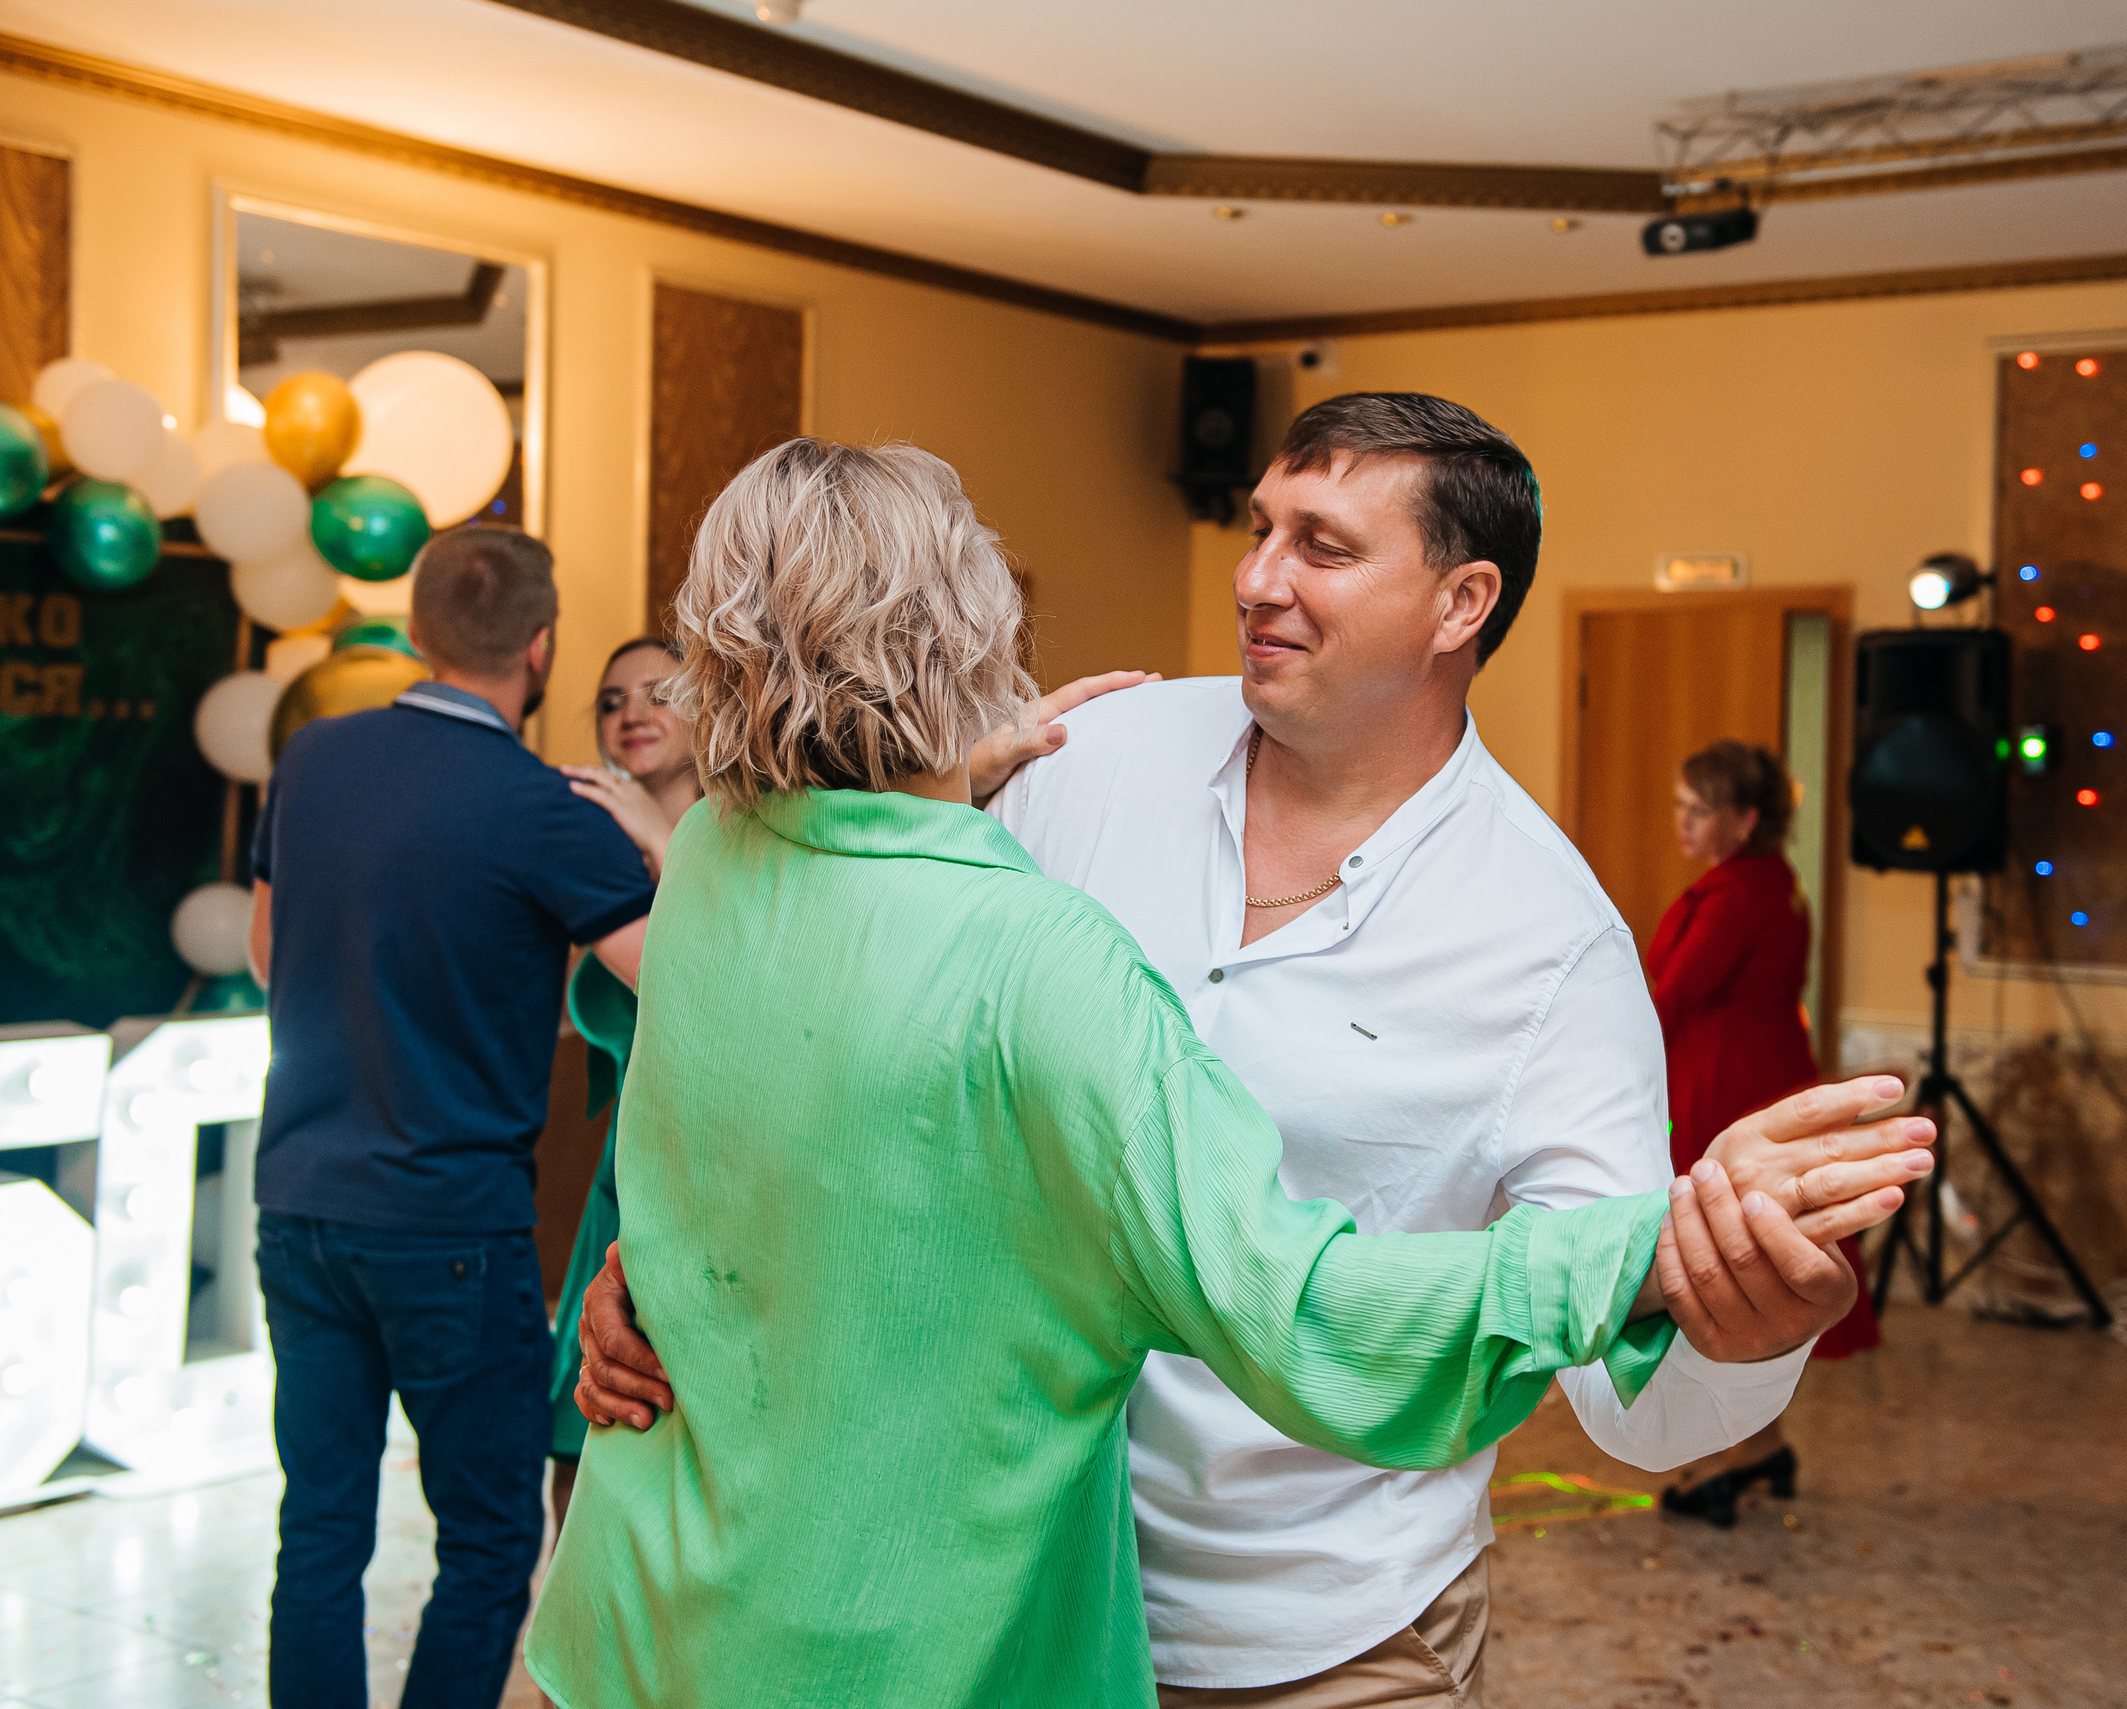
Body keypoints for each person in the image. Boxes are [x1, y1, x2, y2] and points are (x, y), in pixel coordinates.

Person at [542, 432, 1932, 1709]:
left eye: (1321, 544)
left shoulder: (1551, 947)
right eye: (1260, 529)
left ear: (1462, 605)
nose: (1256, 577)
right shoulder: (1074, 761)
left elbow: (1632, 1401)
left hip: (1307, 1636)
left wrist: (1721, 1312)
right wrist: (664, 1276)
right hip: (987, 1603)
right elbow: (836, 1057)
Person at [243, 527, 656, 1709]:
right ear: (541, 645)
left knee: (318, 1525)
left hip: (301, 1201)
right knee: (482, 1537)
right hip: (448, 1223)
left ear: (417, 632)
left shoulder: (313, 757)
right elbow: (677, 980)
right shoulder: (543, 807)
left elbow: (273, 953)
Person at [1650, 739, 1880, 1528]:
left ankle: (1732, 1452)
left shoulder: (1734, 897)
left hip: (1726, 1089)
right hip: (1765, 1071)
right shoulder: (1776, 885)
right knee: (1754, 1266)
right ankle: (1760, 1444)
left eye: (1697, 808)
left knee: (1721, 1267)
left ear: (1743, 820)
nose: (1681, 821)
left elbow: (1673, 993)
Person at [543, 636, 702, 1528]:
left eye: (658, 692)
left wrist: (661, 835)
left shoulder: (753, 833)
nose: (631, 713)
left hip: (710, 1161)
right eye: (611, 700)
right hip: (617, 1174)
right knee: (578, 1459)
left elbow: (744, 963)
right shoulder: (589, 851)